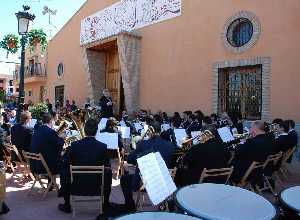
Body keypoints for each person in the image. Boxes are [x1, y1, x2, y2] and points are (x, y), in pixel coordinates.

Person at [58, 119, 112, 214]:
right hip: (96, 185)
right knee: (108, 171)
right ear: (96, 131)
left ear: (84, 130)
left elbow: (66, 163)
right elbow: (107, 165)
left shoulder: (74, 145)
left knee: (64, 170)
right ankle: (106, 204)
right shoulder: (102, 147)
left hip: (76, 185)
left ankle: (67, 205)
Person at [120, 126, 175, 212]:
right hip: (164, 183)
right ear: (160, 132)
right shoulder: (170, 145)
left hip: (145, 182)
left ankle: (130, 207)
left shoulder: (143, 144)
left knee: (124, 179)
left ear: (149, 132)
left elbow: (130, 159)